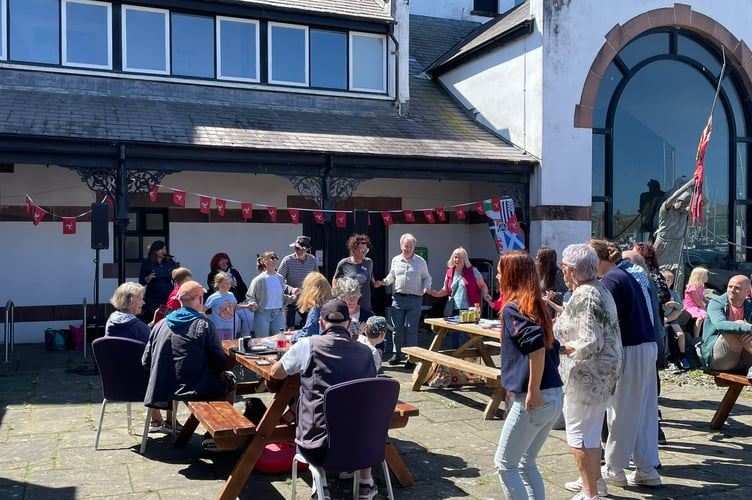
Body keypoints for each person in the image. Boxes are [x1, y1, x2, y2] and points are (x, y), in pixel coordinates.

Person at [270, 299, 378, 500]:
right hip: (364, 444)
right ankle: (365, 482)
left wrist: (276, 361)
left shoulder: (307, 346)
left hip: (318, 444)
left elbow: (276, 373)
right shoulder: (369, 353)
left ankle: (321, 483)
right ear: (348, 323)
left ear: (321, 323)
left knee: (313, 413)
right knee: (360, 410)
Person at [587, 240, 661, 488]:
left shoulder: (611, 280)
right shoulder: (625, 274)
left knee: (622, 409)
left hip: (630, 347)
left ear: (597, 260)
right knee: (645, 411)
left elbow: (602, 322)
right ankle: (647, 468)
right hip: (646, 344)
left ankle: (615, 468)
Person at [494, 250, 564, 499]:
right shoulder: (534, 304)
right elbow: (548, 343)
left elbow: (535, 345)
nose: (497, 276)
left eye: (501, 271)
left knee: (505, 465)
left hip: (536, 398)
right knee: (525, 462)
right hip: (555, 395)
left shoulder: (513, 308)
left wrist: (533, 391)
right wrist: (562, 349)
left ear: (511, 275)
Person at [556, 244, 622, 500]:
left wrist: (556, 348)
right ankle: (596, 483)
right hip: (603, 373)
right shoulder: (600, 289)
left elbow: (590, 341)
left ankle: (589, 493)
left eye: (564, 268)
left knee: (579, 437)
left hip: (588, 376)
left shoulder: (585, 294)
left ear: (571, 271)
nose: (562, 273)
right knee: (591, 433)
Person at [142, 281, 235, 442]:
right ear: (200, 299)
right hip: (193, 388)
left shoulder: (160, 324)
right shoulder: (204, 324)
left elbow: (145, 361)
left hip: (161, 387)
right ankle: (218, 436)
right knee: (229, 380)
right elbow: (219, 362)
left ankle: (211, 434)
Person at [106, 282, 175, 433]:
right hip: (139, 384)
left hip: (115, 382)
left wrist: (153, 322)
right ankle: (171, 422)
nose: (144, 303)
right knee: (169, 371)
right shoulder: (134, 324)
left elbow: (142, 334)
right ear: (130, 301)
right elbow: (152, 341)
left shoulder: (112, 321)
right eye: (141, 299)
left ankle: (156, 420)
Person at [378, 233, 432, 367]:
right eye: (406, 246)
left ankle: (411, 357)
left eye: (411, 246)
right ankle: (397, 354)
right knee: (397, 328)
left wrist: (426, 287)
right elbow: (392, 275)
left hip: (415, 299)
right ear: (401, 246)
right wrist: (385, 281)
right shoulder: (396, 260)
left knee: (411, 329)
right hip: (398, 298)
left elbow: (427, 277)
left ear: (414, 247)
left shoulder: (420, 261)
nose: (408, 249)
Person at [429, 247, 493, 348]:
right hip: (454, 310)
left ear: (465, 259)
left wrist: (485, 294)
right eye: (455, 257)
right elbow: (446, 290)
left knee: (468, 339)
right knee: (454, 338)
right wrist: (435, 293)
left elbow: (483, 286)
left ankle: (469, 361)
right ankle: (456, 361)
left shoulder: (473, 271)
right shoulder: (449, 272)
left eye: (460, 258)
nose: (457, 260)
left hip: (470, 311)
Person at [699, 275, 752, 379]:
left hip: (744, 359)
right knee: (740, 324)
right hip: (719, 359)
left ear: (747, 292)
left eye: (737, 288)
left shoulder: (749, 306)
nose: (732, 290)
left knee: (743, 329)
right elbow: (720, 324)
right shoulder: (716, 303)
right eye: (730, 286)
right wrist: (749, 328)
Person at [207, 252, 254, 337]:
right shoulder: (213, 274)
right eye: (222, 262)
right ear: (216, 263)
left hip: (238, 301)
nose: (225, 263)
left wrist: (245, 299)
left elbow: (243, 286)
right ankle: (232, 340)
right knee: (234, 321)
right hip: (225, 304)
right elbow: (213, 289)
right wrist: (228, 284)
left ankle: (244, 338)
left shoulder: (233, 272)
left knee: (250, 317)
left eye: (226, 261)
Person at [654, 177, 694, 273]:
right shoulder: (665, 210)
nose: (685, 204)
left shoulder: (685, 213)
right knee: (656, 271)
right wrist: (687, 186)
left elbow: (704, 202)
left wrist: (696, 189)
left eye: (687, 203)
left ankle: (677, 289)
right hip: (663, 244)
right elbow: (671, 199)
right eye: (683, 202)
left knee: (679, 274)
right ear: (677, 201)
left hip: (677, 245)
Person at [247, 251, 292, 337]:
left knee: (280, 340)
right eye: (272, 258)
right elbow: (250, 296)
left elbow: (281, 296)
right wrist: (253, 304)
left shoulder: (280, 278)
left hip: (278, 313)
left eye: (276, 258)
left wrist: (292, 298)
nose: (274, 260)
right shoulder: (258, 280)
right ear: (264, 261)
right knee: (262, 341)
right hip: (262, 314)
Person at [332, 234, 382, 311]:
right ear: (354, 250)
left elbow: (372, 280)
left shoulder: (369, 262)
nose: (365, 253)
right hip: (349, 305)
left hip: (365, 304)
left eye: (366, 250)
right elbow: (335, 280)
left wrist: (377, 283)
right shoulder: (344, 263)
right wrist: (337, 296)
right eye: (362, 250)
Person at [278, 236, 318, 329]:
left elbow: (316, 278)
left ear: (307, 249)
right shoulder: (287, 260)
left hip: (306, 299)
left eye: (301, 249)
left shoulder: (312, 260)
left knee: (310, 326)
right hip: (291, 299)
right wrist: (290, 289)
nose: (298, 251)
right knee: (289, 328)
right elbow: (278, 279)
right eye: (296, 248)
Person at [205, 272, 252, 341]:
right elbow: (204, 309)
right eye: (225, 283)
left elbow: (234, 307)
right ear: (218, 284)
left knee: (230, 345)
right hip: (219, 327)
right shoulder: (214, 297)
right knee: (221, 346)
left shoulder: (231, 295)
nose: (228, 285)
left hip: (230, 326)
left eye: (229, 283)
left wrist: (247, 306)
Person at [660, 268, 691, 371]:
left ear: (672, 282)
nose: (666, 282)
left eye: (668, 280)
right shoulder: (657, 293)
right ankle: (666, 357)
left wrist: (674, 304)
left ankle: (682, 355)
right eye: (664, 280)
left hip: (672, 319)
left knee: (680, 334)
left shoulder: (674, 294)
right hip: (661, 318)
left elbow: (681, 306)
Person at [138, 240, 178, 321]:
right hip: (153, 298)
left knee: (167, 316)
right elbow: (141, 281)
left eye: (165, 249)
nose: (164, 251)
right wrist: (148, 278)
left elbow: (176, 276)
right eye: (161, 249)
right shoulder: (147, 263)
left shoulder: (169, 262)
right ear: (155, 250)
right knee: (153, 317)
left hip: (167, 295)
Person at [289, 271, 333, 343]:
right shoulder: (332, 305)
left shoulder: (316, 309)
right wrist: (296, 332)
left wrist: (290, 338)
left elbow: (308, 334)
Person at [333, 276, 374, 344]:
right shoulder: (334, 315)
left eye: (354, 297)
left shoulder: (368, 316)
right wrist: (357, 333)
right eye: (348, 297)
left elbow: (378, 342)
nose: (352, 300)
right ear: (340, 297)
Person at [536, 246, 568, 318]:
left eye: (538, 256)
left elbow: (565, 293)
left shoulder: (558, 274)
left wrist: (554, 295)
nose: (536, 258)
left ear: (545, 259)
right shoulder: (538, 272)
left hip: (551, 312)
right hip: (538, 309)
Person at [684, 266, 709, 338]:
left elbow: (702, 297)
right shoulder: (693, 288)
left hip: (697, 306)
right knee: (701, 317)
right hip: (691, 306)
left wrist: (709, 302)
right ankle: (696, 337)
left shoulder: (701, 286)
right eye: (706, 276)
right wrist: (705, 308)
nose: (707, 277)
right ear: (700, 277)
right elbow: (698, 301)